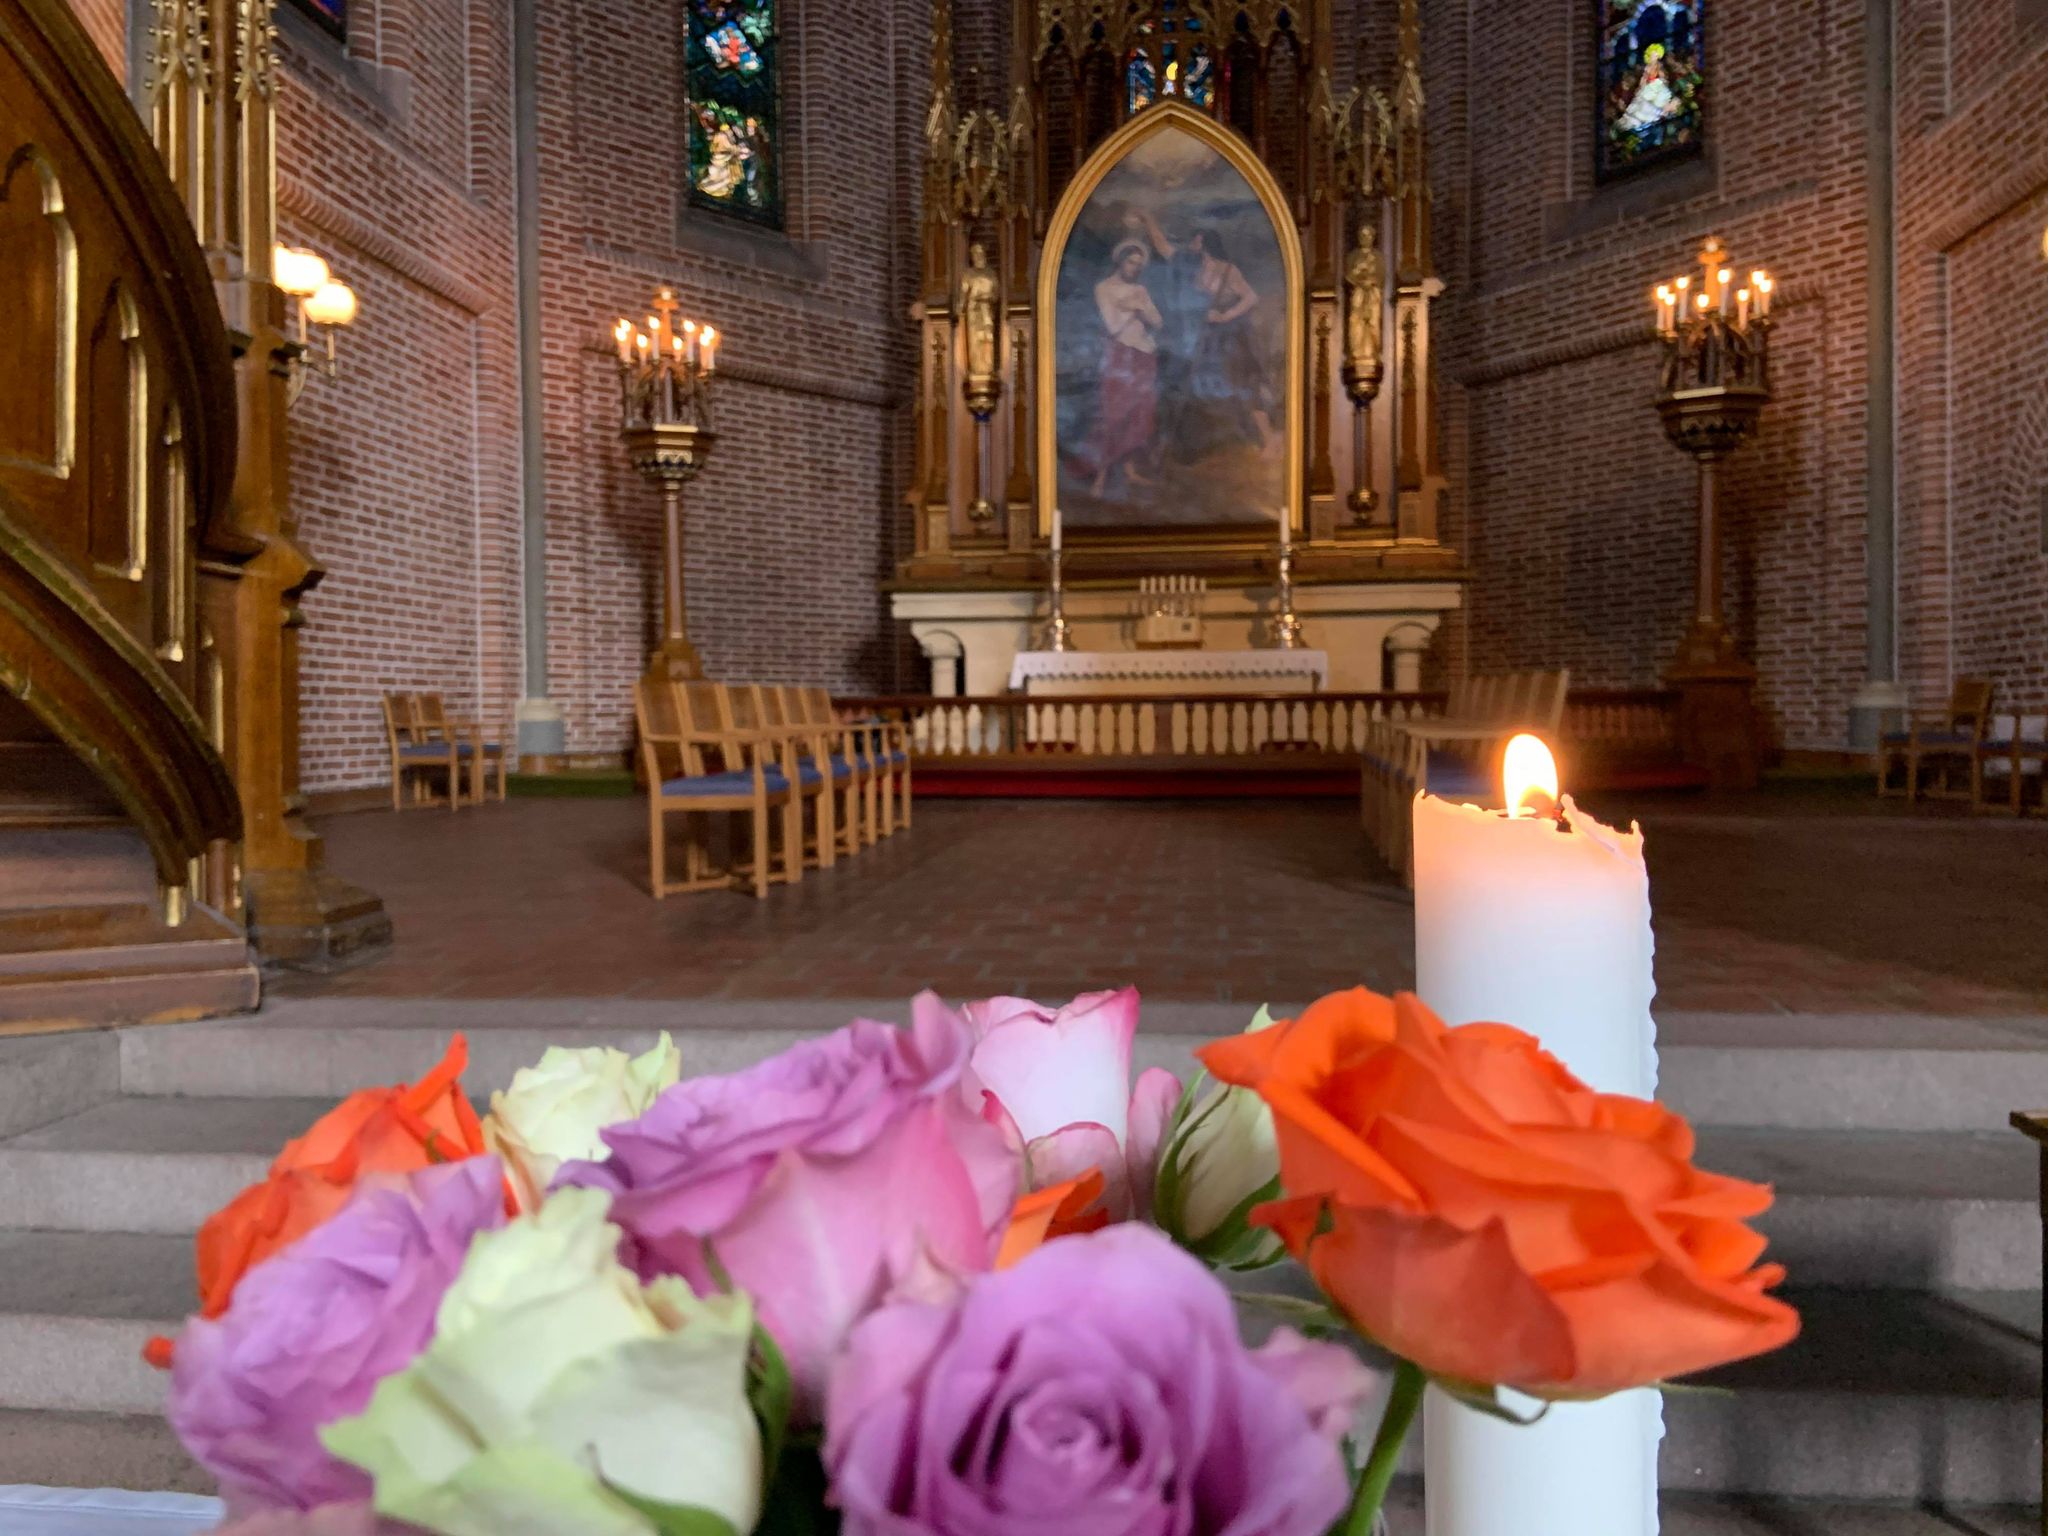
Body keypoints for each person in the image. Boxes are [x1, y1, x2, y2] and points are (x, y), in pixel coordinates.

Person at [1082, 239, 1166, 497]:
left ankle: (1129, 471)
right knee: (1114, 414)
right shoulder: (1104, 288)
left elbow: (1158, 322)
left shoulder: (1140, 289)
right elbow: (1112, 326)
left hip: (1144, 355)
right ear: (1120, 261)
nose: (1135, 268)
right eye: (1131, 262)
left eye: (1139, 264)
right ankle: (1101, 477)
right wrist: (1134, 309)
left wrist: (1139, 308)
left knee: (1139, 414)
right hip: (1120, 356)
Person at [1617, 42, 1680, 135]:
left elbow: (1662, 79)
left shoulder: (1659, 69)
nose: (1654, 57)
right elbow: (1643, 81)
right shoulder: (1647, 70)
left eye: (1656, 55)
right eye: (1653, 55)